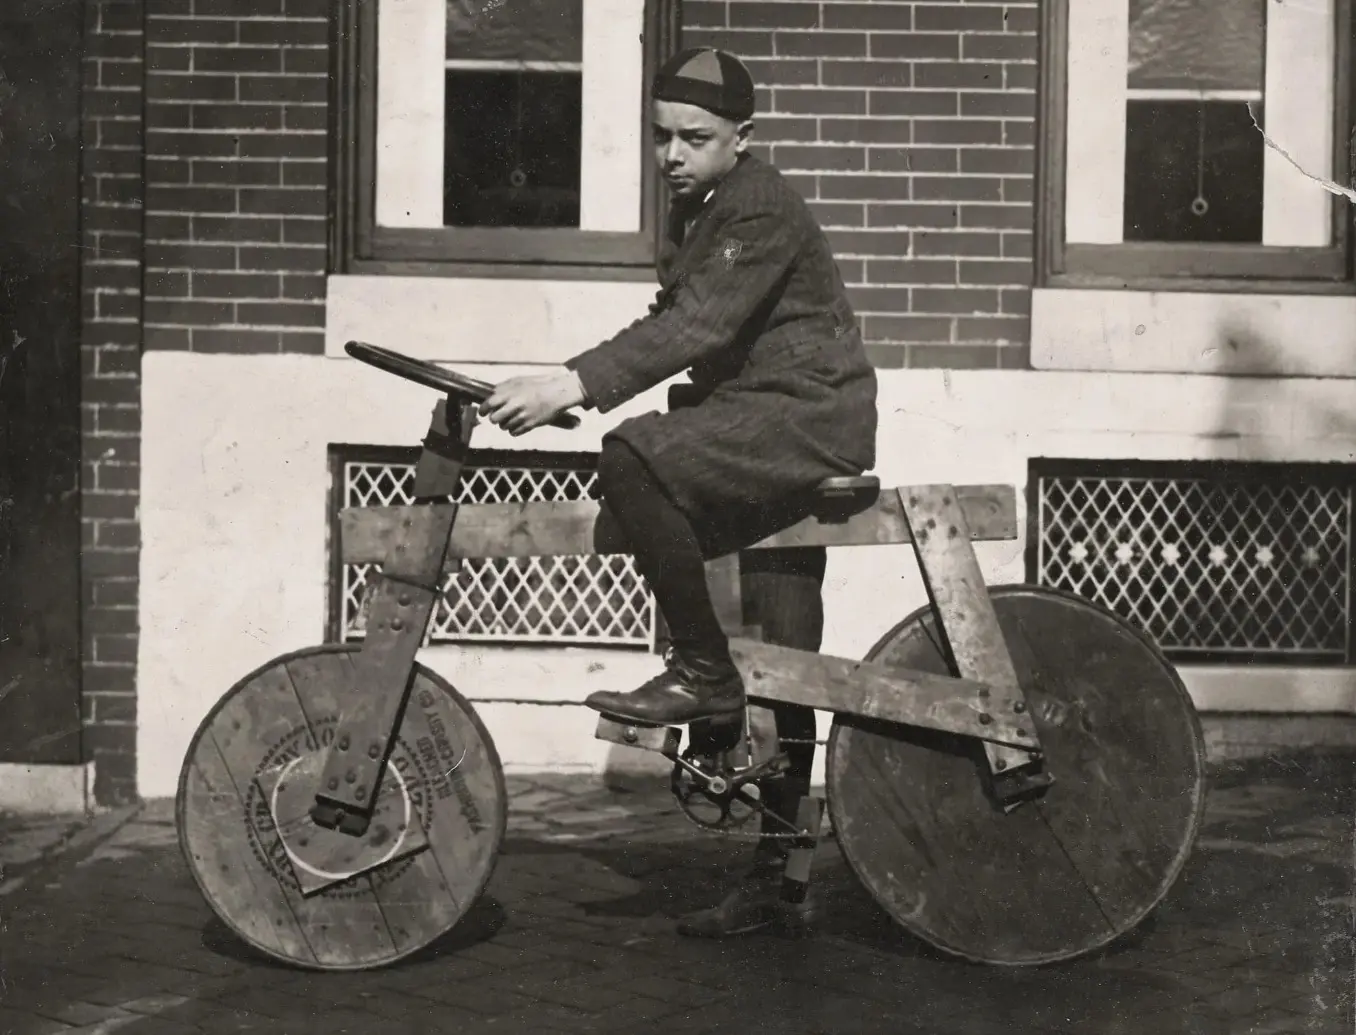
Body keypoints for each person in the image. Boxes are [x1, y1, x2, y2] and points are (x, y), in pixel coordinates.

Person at [482, 47, 879, 936]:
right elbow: (674, 321)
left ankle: (702, 673)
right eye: (661, 136)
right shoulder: (701, 207)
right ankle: (779, 880)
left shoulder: (760, 205)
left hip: (807, 415)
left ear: (744, 138)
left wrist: (575, 386)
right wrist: (567, 385)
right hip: (760, 414)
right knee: (786, 649)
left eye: (695, 138)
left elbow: (703, 323)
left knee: (631, 453)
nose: (672, 154)